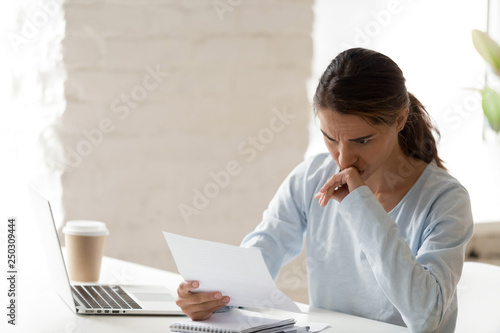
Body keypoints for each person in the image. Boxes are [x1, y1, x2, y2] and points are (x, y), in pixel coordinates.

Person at [176, 48, 474, 333]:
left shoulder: (445, 200)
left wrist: (360, 206)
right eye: (330, 138)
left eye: (362, 141)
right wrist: (214, 299)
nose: (343, 159)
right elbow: (262, 252)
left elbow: (425, 317)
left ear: (398, 120)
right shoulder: (312, 177)